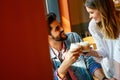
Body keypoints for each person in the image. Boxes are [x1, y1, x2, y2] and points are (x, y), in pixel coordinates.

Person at [47, 12, 112, 80]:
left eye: (60, 25)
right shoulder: (44, 57)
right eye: (57, 28)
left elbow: (90, 61)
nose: (62, 29)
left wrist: (103, 78)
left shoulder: (74, 37)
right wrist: (66, 63)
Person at [84, 0, 120, 79]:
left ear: (102, 9)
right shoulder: (93, 26)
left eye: (92, 12)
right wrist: (91, 52)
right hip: (111, 70)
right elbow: (104, 51)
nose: (90, 16)